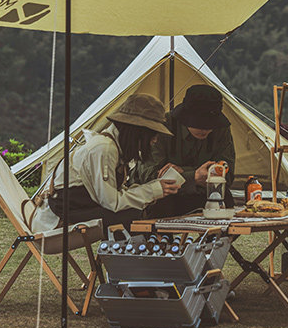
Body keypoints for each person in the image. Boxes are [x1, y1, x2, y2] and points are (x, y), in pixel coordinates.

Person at [28, 93, 181, 234]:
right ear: (138, 132)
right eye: (153, 134)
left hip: (80, 208)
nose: (155, 140)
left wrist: (155, 189)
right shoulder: (104, 148)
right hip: (61, 218)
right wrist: (152, 190)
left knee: (139, 210)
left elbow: (113, 194)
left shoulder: (114, 147)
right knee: (131, 216)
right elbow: (112, 203)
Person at [141, 84, 236, 218]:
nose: (204, 129)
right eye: (198, 123)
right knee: (162, 203)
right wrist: (194, 177)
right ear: (185, 117)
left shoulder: (221, 130)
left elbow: (227, 175)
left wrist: (182, 173)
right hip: (167, 197)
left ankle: (217, 233)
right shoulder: (163, 126)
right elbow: (149, 176)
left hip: (204, 194)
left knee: (226, 199)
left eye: (210, 125)